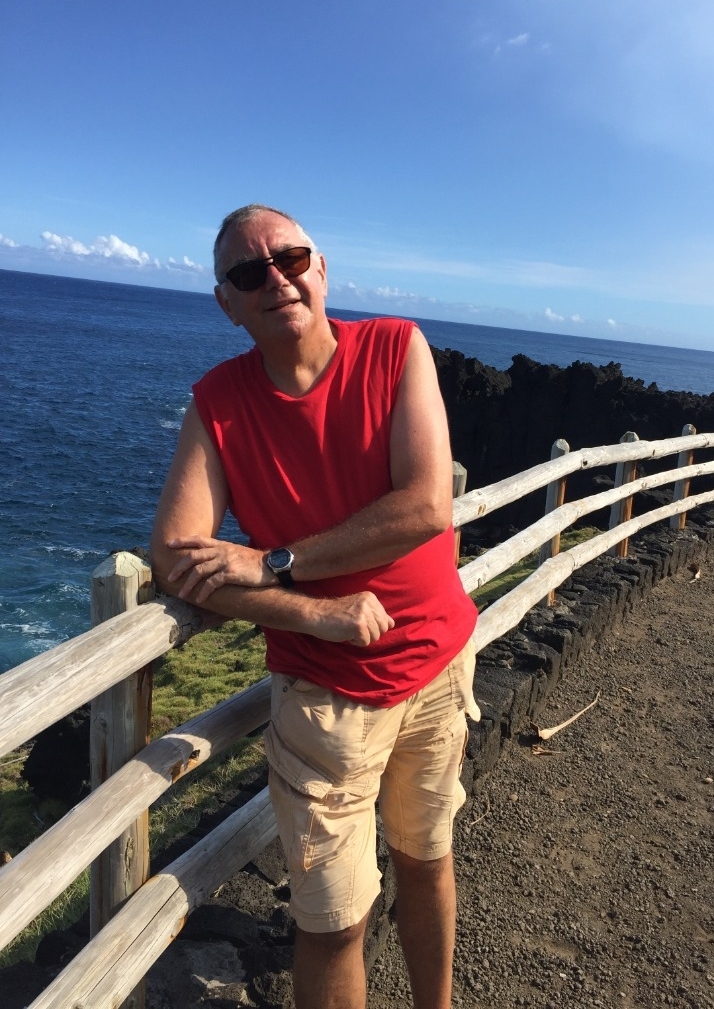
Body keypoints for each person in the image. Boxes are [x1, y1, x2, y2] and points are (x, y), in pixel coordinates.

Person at [150, 204, 479, 1009]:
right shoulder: (219, 402)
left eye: (290, 258)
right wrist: (314, 613)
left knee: (427, 860)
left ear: (321, 269)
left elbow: (426, 506)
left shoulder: (396, 347)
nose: (275, 278)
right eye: (247, 272)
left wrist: (273, 563)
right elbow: (175, 558)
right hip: (324, 698)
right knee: (331, 923)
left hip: (436, 664)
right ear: (227, 303)